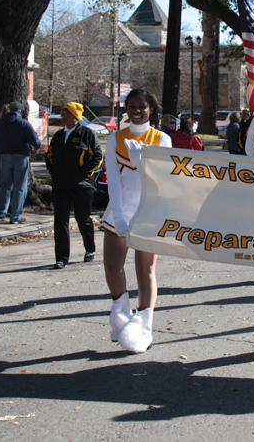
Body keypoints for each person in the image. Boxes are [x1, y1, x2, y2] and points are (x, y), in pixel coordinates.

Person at [101, 89, 172, 354]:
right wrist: (118, 215)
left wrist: (140, 161)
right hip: (120, 210)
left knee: (146, 270)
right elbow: (114, 181)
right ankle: (121, 315)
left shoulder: (162, 139)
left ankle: (144, 326)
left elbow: (163, 181)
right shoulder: (115, 138)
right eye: (131, 106)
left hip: (149, 212)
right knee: (112, 266)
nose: (136, 111)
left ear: (151, 109)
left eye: (142, 106)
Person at [45, 102, 103, 270]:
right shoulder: (58, 135)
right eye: (62, 113)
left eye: (65, 113)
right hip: (60, 185)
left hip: (81, 186)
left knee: (82, 219)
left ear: (75, 117)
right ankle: (62, 257)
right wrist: (53, 172)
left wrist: (83, 174)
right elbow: (49, 156)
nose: (62, 116)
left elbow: (97, 156)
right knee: (60, 221)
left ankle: (90, 249)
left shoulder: (87, 134)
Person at [0, 101, 41, 224]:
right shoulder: (24, 124)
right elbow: (36, 141)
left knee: (5, 186)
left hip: (4, 156)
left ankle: (0, 213)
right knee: (20, 187)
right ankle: (15, 216)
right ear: (21, 111)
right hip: (21, 156)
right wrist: (34, 146)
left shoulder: (0, 123)